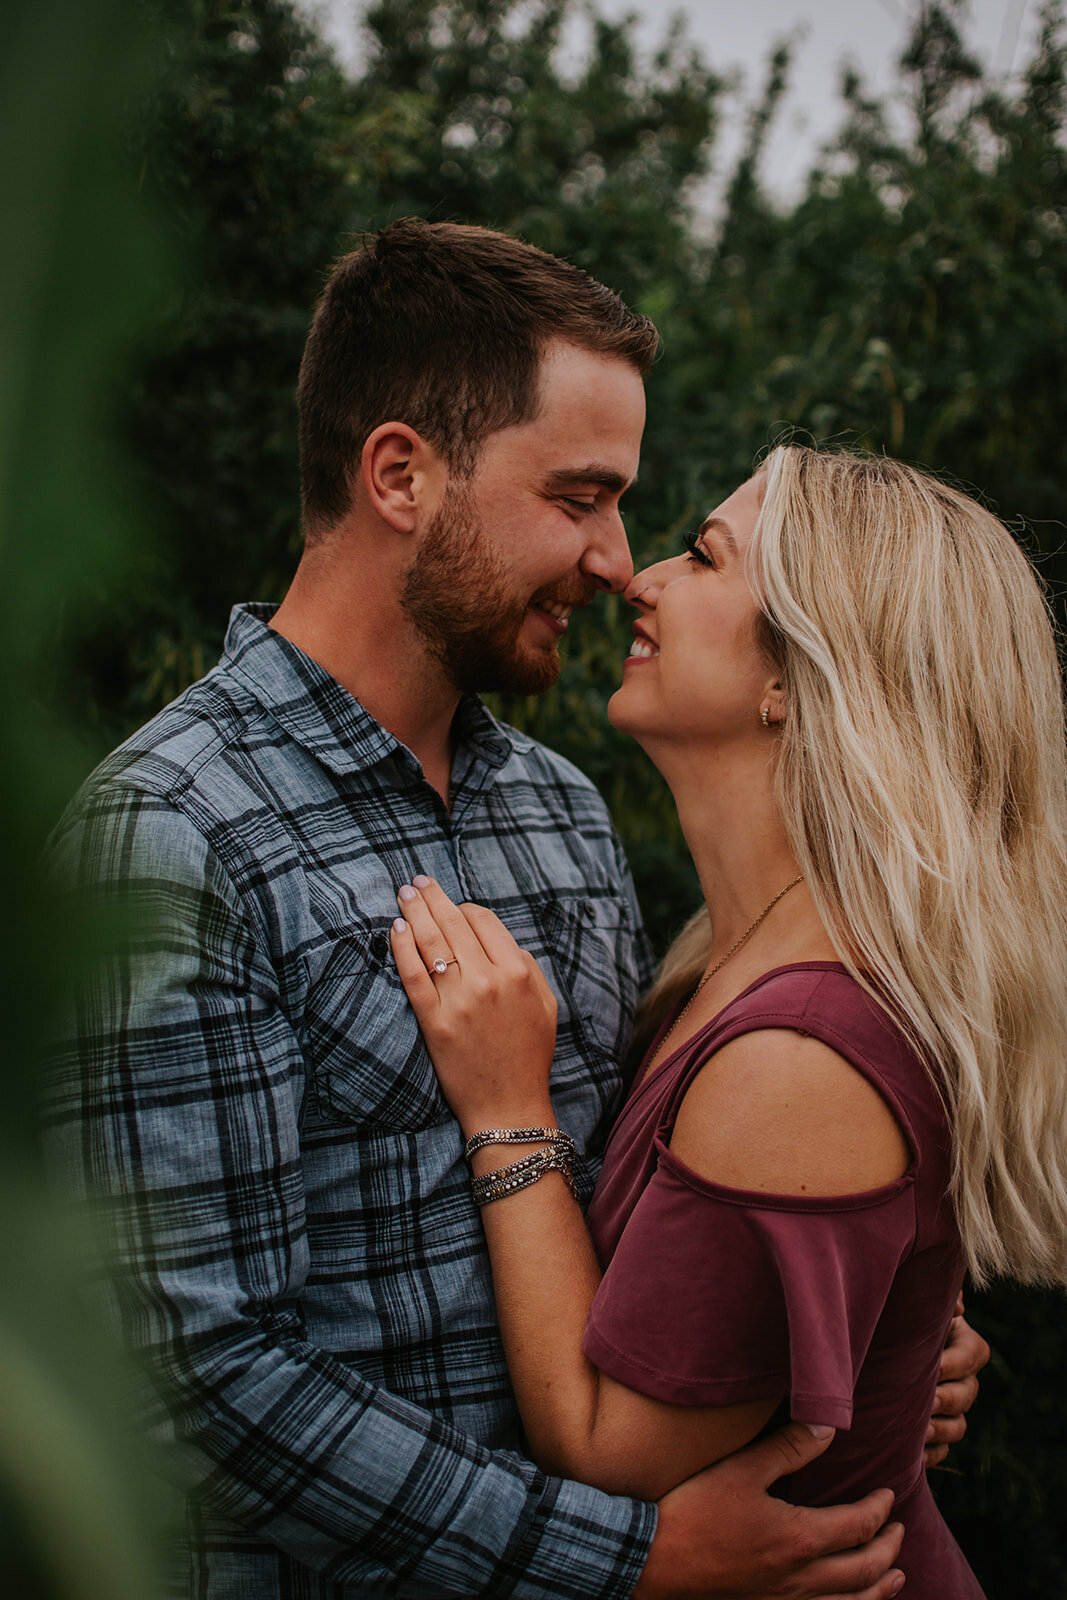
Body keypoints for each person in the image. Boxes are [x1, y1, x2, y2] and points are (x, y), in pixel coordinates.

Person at [44, 222, 985, 1600]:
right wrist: (628, 1562)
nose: (615, 561)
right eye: (579, 496)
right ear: (400, 476)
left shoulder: (557, 812)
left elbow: (626, 1228)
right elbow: (191, 1377)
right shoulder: (171, 835)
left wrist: (833, 1335)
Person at [389, 444, 1067, 1597]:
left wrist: (507, 1108)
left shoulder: (797, 1055)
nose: (639, 577)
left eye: (702, 556)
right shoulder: (739, 953)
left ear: (796, 680)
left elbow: (607, 1445)